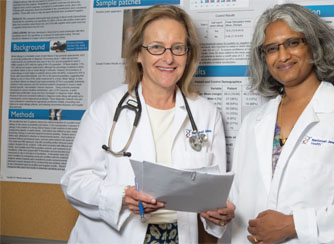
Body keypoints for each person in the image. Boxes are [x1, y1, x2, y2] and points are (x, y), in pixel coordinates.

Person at [61, 4, 235, 244]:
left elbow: (213, 193)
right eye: (156, 47)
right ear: (138, 54)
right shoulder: (104, 109)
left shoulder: (206, 114)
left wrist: (218, 214)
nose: (168, 58)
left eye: (178, 48)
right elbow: (74, 182)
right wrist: (121, 197)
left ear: (188, 54)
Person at [229, 3, 334, 244]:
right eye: (272, 48)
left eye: (293, 43)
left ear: (314, 46)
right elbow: (237, 200)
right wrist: (220, 215)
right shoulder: (253, 123)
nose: (282, 55)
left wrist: (292, 225)